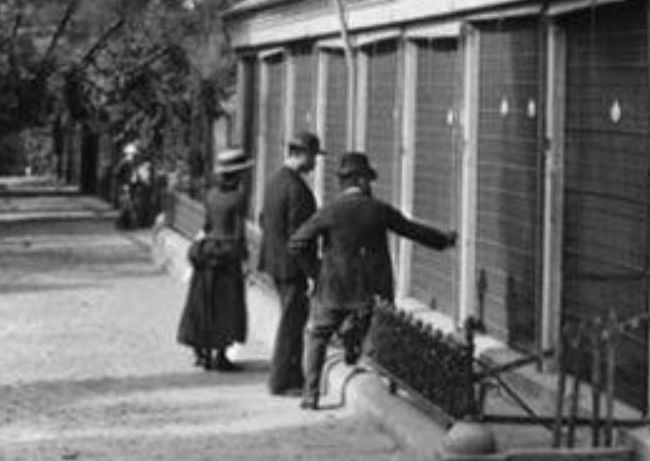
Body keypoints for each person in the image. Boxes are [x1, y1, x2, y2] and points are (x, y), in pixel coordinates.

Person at [289, 150, 456, 410]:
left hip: (332, 289)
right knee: (371, 331)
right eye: (369, 180)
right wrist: (444, 240)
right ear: (362, 181)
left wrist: (316, 272)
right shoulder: (377, 210)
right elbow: (412, 230)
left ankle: (310, 394)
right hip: (369, 290)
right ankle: (376, 381)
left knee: (318, 335)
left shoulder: (329, 211)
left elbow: (297, 243)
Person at [258, 130, 323, 396]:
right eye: (314, 156)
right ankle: (281, 380)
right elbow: (300, 238)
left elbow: (264, 220)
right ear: (302, 154)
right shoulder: (297, 189)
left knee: (290, 319)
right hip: (292, 266)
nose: (316, 163)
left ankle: (290, 375)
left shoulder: (274, 181)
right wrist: (312, 272)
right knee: (291, 323)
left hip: (274, 261)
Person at [176, 148, 251, 371]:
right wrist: (244, 258)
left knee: (204, 302)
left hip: (208, 251)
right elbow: (239, 231)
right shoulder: (238, 198)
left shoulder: (210, 195)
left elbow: (207, 225)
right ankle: (221, 355)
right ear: (237, 174)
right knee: (227, 305)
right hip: (228, 255)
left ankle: (203, 352)